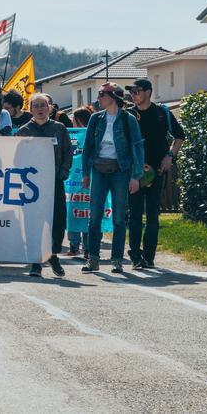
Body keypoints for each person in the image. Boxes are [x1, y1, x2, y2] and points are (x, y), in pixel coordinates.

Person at [80, 83, 144, 274]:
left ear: (114, 97)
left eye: (102, 94)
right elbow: (88, 147)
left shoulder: (128, 119)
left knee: (118, 218)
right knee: (94, 218)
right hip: (98, 170)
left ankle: (117, 260)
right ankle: (93, 259)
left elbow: (137, 147)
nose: (98, 98)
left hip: (120, 172)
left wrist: (135, 176)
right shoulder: (95, 118)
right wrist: (85, 173)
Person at [126, 78, 185, 269]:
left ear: (148, 92)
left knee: (152, 214)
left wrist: (169, 156)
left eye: (137, 91)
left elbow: (179, 136)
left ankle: (149, 256)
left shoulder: (162, 113)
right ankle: (135, 256)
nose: (134, 94)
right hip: (134, 171)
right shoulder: (128, 115)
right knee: (134, 214)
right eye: (132, 92)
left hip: (157, 170)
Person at [18, 94, 73, 277]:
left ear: (49, 107)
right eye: (36, 106)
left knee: (57, 220)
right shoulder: (25, 131)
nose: (40, 108)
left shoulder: (59, 128)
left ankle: (53, 254)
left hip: (55, 182)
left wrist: (63, 173)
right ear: (31, 109)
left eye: (43, 105)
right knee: (34, 222)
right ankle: (35, 261)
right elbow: (18, 157)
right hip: (33, 185)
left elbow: (68, 152)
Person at [65, 104, 94, 258]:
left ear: (78, 120)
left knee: (83, 212)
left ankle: (85, 247)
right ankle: (78, 246)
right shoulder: (73, 135)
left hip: (86, 178)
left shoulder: (91, 134)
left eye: (73, 120)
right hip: (75, 180)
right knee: (78, 211)